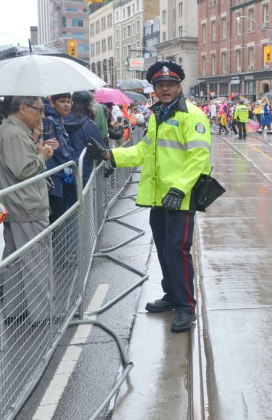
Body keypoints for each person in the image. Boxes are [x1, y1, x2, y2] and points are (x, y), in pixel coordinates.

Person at [86, 60, 211, 333]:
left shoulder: (192, 116)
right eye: (160, 85)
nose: (165, 89)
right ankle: (172, 295)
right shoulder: (158, 116)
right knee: (166, 251)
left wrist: (179, 188)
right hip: (158, 198)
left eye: (170, 84)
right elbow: (144, 151)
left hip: (180, 198)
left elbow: (199, 157)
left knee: (178, 252)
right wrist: (111, 154)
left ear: (179, 86)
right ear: (154, 89)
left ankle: (186, 306)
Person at [0, 96, 54, 325]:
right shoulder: (13, 133)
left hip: (16, 204)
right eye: (39, 110)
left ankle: (15, 310)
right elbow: (25, 169)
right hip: (27, 204)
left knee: (15, 260)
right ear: (22, 108)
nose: (42, 116)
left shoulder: (11, 130)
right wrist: (42, 156)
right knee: (37, 261)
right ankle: (42, 315)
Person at [43, 93, 78, 223]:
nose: (66, 105)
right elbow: (58, 148)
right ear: (53, 103)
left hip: (60, 172)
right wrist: (73, 162)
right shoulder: (50, 120)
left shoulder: (57, 119)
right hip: (55, 174)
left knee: (61, 212)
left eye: (69, 102)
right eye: (62, 101)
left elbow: (64, 145)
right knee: (56, 214)